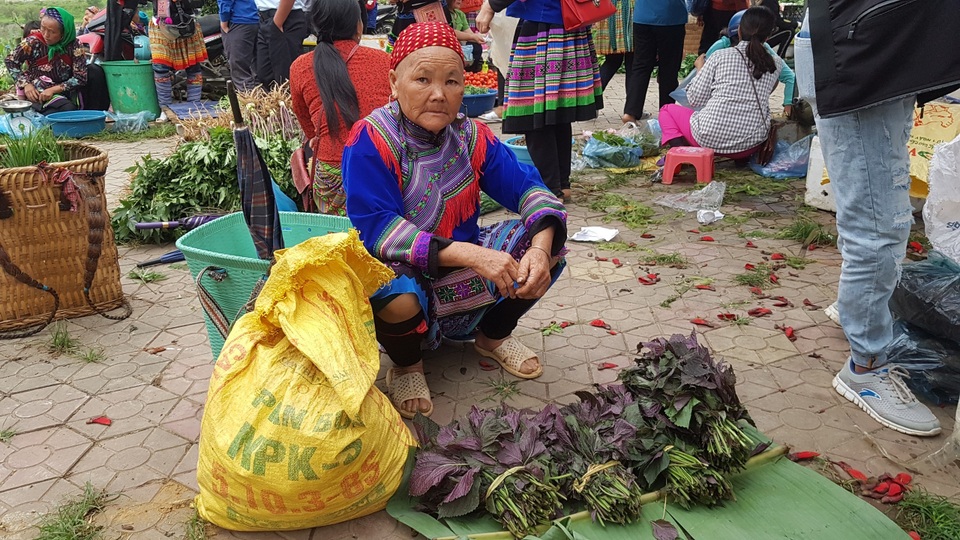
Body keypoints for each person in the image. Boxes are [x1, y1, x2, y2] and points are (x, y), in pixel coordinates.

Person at [341, 22, 567, 418]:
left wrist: (540, 247)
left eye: (451, 81)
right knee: (396, 294)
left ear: (464, 86)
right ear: (394, 81)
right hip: (402, 266)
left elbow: (528, 189)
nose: (437, 94)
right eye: (422, 79)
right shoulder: (370, 139)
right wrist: (473, 255)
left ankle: (491, 338)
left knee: (548, 247)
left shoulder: (471, 136)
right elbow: (376, 228)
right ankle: (408, 364)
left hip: (459, 264)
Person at [794, 1, 960, 437]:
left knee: (865, 208)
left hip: (869, 49)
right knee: (879, 226)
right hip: (865, 54)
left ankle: (856, 311)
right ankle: (865, 368)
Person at [477, 0, 603, 202]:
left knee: (532, 110)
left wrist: (490, 6)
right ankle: (561, 184)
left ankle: (551, 188)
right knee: (557, 110)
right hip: (569, 24)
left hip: (543, 25)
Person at [290, 0, 391, 216]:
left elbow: (309, 129)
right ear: (359, 25)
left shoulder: (300, 66)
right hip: (379, 171)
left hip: (330, 179)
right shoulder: (383, 61)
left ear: (316, 25)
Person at [655, 6, 781, 161]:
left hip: (708, 139)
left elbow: (694, 100)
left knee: (667, 110)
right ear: (768, 36)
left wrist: (700, 69)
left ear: (738, 30)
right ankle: (740, 159)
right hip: (751, 143)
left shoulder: (720, 56)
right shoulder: (776, 64)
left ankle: (685, 156)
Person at [703, 8, 793, 118]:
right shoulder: (720, 47)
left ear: (740, 31)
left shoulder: (720, 54)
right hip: (752, 119)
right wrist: (788, 112)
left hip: (722, 115)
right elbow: (790, 77)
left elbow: (696, 93)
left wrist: (788, 111)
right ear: (767, 37)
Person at [5, 8, 90, 114]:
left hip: (66, 88)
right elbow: (10, 60)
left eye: (52, 32)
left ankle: (93, 113)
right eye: (43, 28)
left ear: (63, 34)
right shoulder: (33, 42)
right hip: (39, 89)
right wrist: (26, 84)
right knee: (67, 110)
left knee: (95, 71)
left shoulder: (74, 45)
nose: (45, 35)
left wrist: (54, 89)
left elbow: (80, 77)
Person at [624, 0, 686, 123]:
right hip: (671, 17)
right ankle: (666, 114)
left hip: (642, 16)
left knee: (640, 67)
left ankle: (631, 112)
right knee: (669, 69)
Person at [149, 0, 208, 116]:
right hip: (161, 26)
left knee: (193, 67)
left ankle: (194, 107)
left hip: (187, 25)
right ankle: (165, 110)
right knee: (161, 68)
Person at [255, 0, 308, 87]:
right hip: (264, 16)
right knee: (265, 75)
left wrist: (277, 24)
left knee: (284, 77)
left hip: (285, 16)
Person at [594, 0, 635, 93]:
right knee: (632, 63)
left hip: (610, 10)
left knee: (612, 61)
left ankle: (592, 99)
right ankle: (631, 106)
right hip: (627, 11)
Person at [218, 0, 259, 92]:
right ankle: (263, 99)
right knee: (256, 67)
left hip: (238, 20)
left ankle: (250, 101)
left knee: (240, 69)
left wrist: (224, 21)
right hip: (256, 18)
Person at [450, 0, 483, 72]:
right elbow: (450, 32)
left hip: (460, 44)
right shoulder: (444, 13)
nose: (460, 0)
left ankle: (471, 72)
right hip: (449, 43)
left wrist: (479, 38)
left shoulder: (460, 14)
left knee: (476, 46)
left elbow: (468, 32)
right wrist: (472, 37)